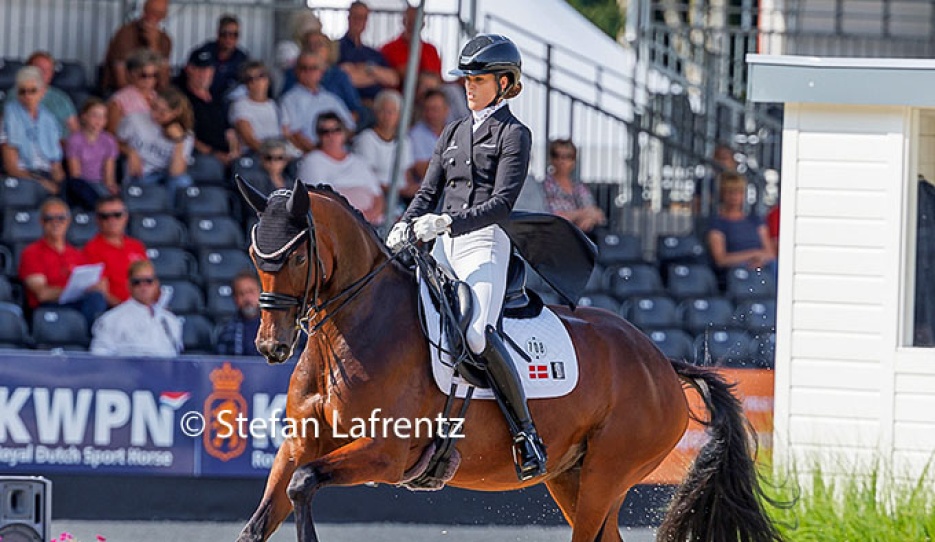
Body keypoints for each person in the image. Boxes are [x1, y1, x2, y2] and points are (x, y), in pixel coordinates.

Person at [385, 34, 546, 481]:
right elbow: (429, 191)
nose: (468, 87)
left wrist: (447, 224)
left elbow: (502, 203)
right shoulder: (453, 131)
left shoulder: (515, 134)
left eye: (477, 80)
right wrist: (406, 222)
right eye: (466, 80)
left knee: (476, 333)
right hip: (442, 242)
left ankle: (525, 433)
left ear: (505, 82)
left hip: (485, 242)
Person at [18, 198, 107, 329]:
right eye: (49, 218)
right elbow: (42, 294)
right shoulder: (32, 252)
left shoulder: (77, 254)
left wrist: (97, 286)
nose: (56, 222)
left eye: (61, 218)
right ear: (41, 222)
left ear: (68, 221)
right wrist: (77, 290)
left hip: (78, 307)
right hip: (49, 310)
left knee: (97, 298)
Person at [297, 112, 383, 225]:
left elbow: (378, 196)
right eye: (325, 132)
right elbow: (318, 199)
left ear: (344, 133)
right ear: (318, 135)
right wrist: (353, 218)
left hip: (371, 224)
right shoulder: (312, 161)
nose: (331, 136)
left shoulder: (359, 162)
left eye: (336, 130)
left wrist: (369, 216)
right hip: (337, 224)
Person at [90, 260, 183, 357]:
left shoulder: (170, 321)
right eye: (137, 282)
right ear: (128, 285)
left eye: (148, 281)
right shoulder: (111, 320)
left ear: (156, 284)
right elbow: (99, 358)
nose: (143, 286)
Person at [117, 86, 194, 200]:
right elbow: (113, 142)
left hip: (166, 176)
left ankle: (173, 216)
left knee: (183, 182)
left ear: (175, 112)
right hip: (141, 174)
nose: (155, 114)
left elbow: (176, 173)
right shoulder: (135, 119)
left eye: (162, 112)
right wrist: (130, 152)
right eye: (154, 108)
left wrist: (179, 141)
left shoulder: (186, 135)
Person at [0, 67, 65, 195]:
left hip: (47, 175)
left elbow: (56, 166)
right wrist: (40, 182)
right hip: (24, 176)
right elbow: (12, 167)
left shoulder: (49, 120)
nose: (27, 96)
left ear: (42, 92)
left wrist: (58, 183)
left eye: (32, 91)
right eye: (22, 91)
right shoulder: (8, 117)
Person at [279, 50, 355, 154]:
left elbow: (349, 127)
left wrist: (335, 149)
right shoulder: (289, 100)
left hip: (338, 154)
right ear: (296, 71)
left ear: (321, 72)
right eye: (304, 68)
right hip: (308, 155)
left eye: (313, 68)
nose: (308, 72)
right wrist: (319, 154)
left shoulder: (331, 99)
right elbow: (294, 134)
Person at [82, 195, 148, 307]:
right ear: (97, 220)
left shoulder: (136, 246)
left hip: (142, 308)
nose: (112, 220)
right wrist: (127, 310)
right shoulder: (92, 249)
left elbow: (148, 280)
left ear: (125, 217)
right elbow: (102, 292)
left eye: (117, 215)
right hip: (116, 312)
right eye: (105, 216)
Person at [706, 172, 776, 275]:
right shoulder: (717, 224)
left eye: (739, 192)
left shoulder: (756, 220)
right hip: (735, 272)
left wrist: (760, 260)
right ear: (722, 194)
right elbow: (721, 259)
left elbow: (770, 253)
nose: (734, 197)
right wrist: (753, 255)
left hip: (762, 267)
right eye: (730, 192)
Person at [353, 89, 415, 201]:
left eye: (392, 112)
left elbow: (406, 173)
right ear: (376, 113)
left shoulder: (404, 141)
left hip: (401, 196)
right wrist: (397, 190)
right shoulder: (366, 138)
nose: (387, 116)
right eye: (383, 111)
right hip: (377, 195)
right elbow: (366, 176)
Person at [181, 49, 240, 168]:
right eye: (199, 69)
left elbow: (229, 131)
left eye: (208, 69)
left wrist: (234, 152)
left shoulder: (217, 97)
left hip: (226, 156)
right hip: (200, 156)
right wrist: (215, 154)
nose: (204, 74)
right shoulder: (182, 99)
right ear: (189, 69)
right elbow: (186, 136)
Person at [101, 0, 172, 94]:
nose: (153, 17)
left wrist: (154, 45)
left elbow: (164, 82)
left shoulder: (165, 40)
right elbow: (121, 82)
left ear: (164, 16)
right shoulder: (125, 35)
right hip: (118, 92)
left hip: (153, 94)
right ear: (144, 10)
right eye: (150, 11)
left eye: (159, 14)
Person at [4, 51, 79, 137]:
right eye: (39, 68)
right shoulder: (17, 93)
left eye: (48, 70)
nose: (43, 73)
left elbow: (75, 129)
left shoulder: (61, 97)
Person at [337, 1, 399, 105]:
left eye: (363, 18)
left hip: (377, 105)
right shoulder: (337, 48)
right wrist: (377, 77)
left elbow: (393, 79)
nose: (359, 21)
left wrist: (367, 68)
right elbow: (345, 79)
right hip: (350, 104)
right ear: (348, 18)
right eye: (355, 17)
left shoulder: (373, 53)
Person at [65, 98, 120, 209]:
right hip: (82, 184)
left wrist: (110, 187)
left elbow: (109, 174)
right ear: (84, 116)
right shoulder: (75, 140)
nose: (98, 120)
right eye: (94, 115)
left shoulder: (109, 140)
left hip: (100, 183)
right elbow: (75, 174)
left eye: (102, 116)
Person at [542, 138, 606, 235]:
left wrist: (588, 220)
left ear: (574, 161)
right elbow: (554, 216)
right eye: (557, 155)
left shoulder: (579, 187)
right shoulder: (545, 186)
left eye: (568, 156)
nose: (562, 161)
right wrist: (583, 214)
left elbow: (598, 215)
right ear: (551, 159)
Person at [189, 14, 249, 101]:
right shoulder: (204, 52)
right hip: (201, 100)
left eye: (234, 34)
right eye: (225, 34)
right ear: (218, 33)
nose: (229, 38)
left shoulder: (242, 59)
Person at [379, 6, 442, 87]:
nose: (413, 25)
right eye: (410, 21)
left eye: (416, 21)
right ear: (403, 21)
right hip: (399, 94)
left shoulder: (431, 50)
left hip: (431, 95)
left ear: (423, 24)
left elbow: (438, 78)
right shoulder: (388, 49)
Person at [229, 61, 282, 155]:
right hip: (254, 154)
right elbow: (248, 139)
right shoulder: (240, 104)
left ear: (268, 80)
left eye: (260, 76)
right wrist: (271, 153)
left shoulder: (273, 105)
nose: (255, 81)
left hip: (278, 153)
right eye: (250, 79)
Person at [106, 49, 161, 134]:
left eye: (154, 75)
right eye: (144, 75)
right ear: (131, 74)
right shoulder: (119, 101)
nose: (150, 80)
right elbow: (112, 135)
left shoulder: (157, 97)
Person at [215, 270, 261, 356]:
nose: (247, 299)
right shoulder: (227, 330)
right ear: (235, 299)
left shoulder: (275, 327)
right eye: (241, 294)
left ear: (260, 293)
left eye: (251, 292)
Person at [408, 88, 449, 183]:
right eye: (427, 109)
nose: (430, 114)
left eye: (435, 109)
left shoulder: (456, 131)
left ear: (446, 110)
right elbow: (422, 171)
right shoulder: (415, 134)